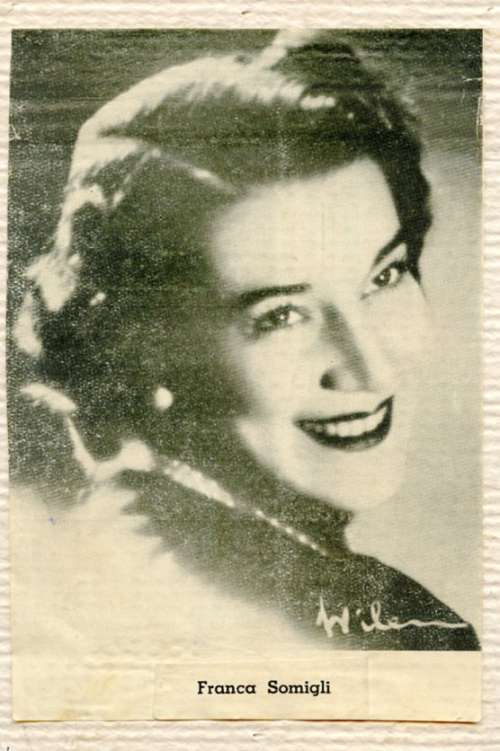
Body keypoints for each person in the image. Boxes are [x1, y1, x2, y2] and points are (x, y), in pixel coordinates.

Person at [13, 30, 479, 650]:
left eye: (384, 276)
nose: (370, 368)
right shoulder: (394, 630)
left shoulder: (105, 539)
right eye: (280, 315)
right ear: (144, 345)